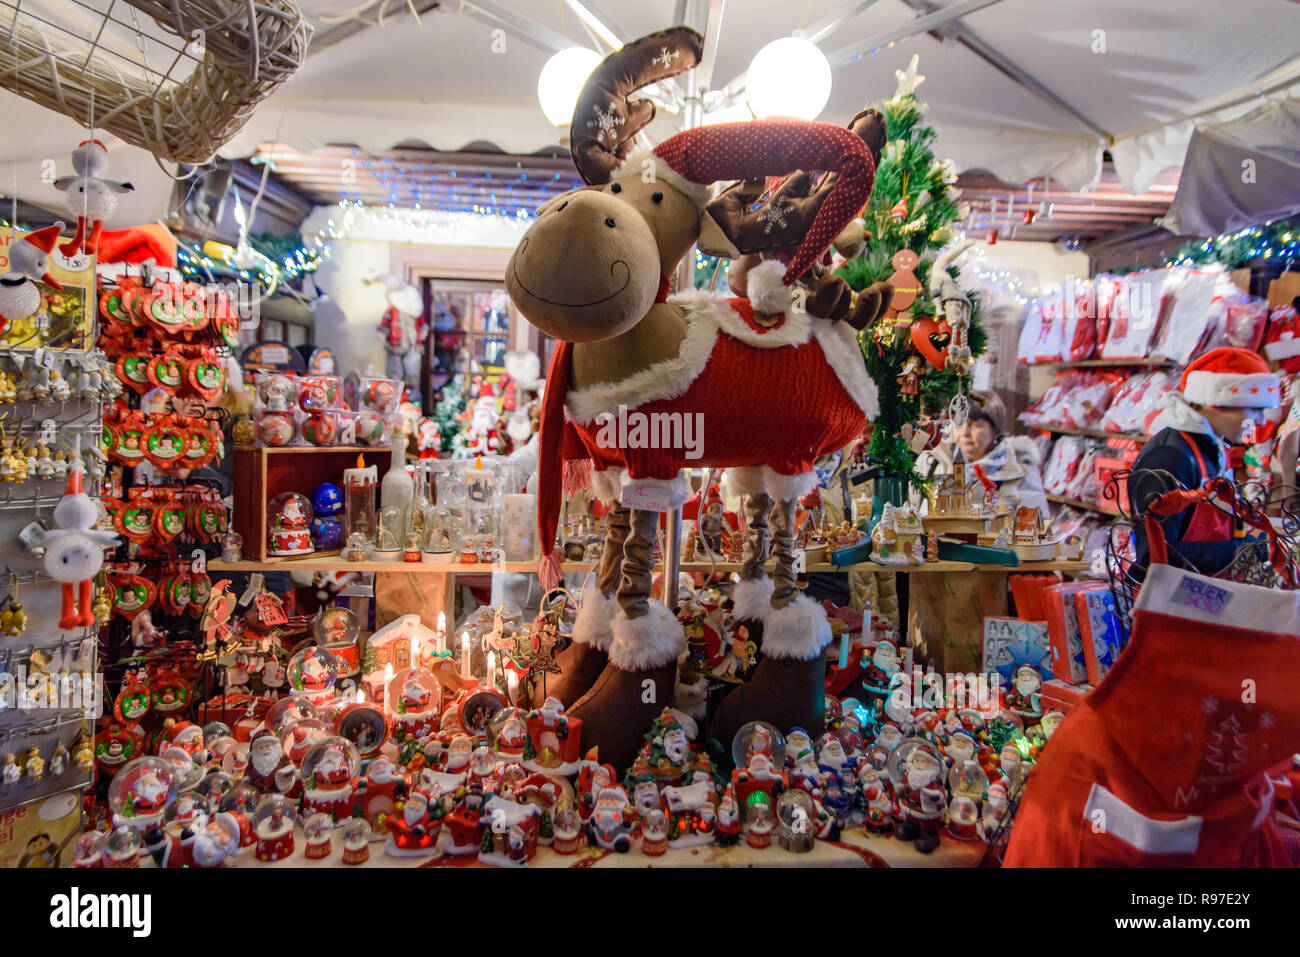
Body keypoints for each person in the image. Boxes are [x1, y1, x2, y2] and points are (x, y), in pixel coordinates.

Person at [1128, 347, 1280, 576]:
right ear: (1216, 404)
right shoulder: (1170, 455)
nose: (1259, 421)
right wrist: (1243, 549)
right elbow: (1156, 554)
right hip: (1172, 604)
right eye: (1255, 408)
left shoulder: (1210, 447)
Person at [918, 393, 1049, 517]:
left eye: (976, 425)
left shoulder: (1021, 469)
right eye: (959, 424)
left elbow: (1037, 526)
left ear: (996, 431)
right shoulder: (932, 459)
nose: (965, 433)